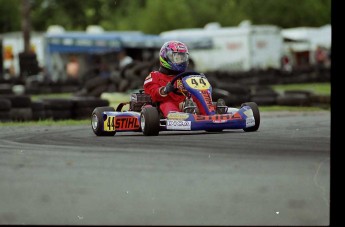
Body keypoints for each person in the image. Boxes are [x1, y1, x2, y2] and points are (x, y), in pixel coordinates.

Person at [143, 41, 192, 117]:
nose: (181, 61)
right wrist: (165, 90)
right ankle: (177, 118)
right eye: (176, 57)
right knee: (167, 104)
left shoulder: (186, 77)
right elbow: (152, 94)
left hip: (185, 105)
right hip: (164, 107)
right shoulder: (154, 76)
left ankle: (213, 113)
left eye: (182, 57)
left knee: (200, 102)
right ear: (165, 57)